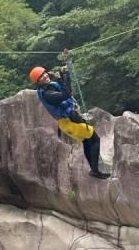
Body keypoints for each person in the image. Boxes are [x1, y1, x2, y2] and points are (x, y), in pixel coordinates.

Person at [28, 50, 109, 178]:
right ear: (38, 82)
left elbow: (68, 90)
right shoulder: (48, 94)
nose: (45, 76)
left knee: (87, 141)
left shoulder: (52, 85)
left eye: (44, 73)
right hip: (68, 121)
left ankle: (94, 170)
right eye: (41, 77)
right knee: (94, 139)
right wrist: (60, 78)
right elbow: (65, 95)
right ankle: (95, 171)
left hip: (72, 117)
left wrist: (64, 70)